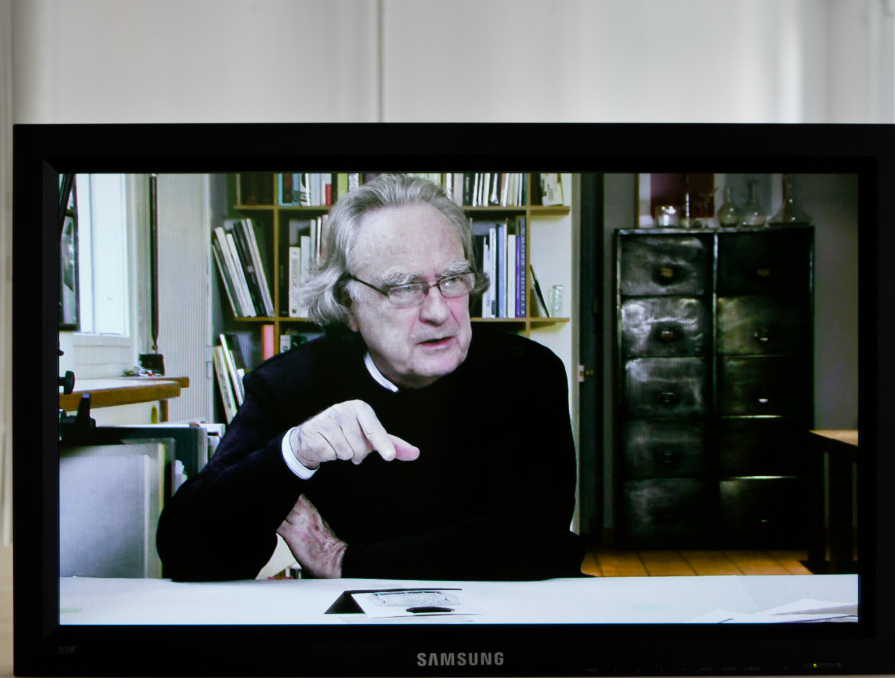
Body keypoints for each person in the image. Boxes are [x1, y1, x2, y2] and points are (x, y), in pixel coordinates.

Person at [156, 174, 582, 581]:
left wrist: (342, 561)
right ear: (348, 304)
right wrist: (294, 454)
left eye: (452, 279)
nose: (439, 312)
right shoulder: (290, 384)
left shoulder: (526, 371)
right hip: (357, 621)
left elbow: (532, 540)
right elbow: (190, 556)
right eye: (404, 288)